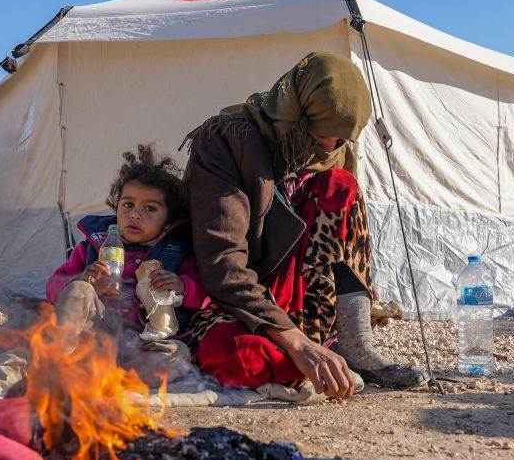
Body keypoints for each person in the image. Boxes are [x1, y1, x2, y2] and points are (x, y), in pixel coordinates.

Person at [181, 51, 424, 400]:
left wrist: (356, 310)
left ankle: (353, 349)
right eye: (319, 134)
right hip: (229, 300)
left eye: (340, 140)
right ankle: (310, 351)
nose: (329, 147)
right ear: (295, 112)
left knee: (340, 184)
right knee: (240, 357)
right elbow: (224, 268)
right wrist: (295, 341)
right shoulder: (226, 142)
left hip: (301, 306)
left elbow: (344, 242)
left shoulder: (335, 151)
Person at [45, 145, 208, 384]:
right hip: (96, 332)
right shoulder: (94, 245)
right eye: (128, 204)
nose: (135, 214)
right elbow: (53, 287)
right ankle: (59, 359)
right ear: (116, 206)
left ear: (169, 218)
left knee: (178, 355)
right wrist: (82, 280)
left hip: (145, 341)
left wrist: (183, 286)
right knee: (79, 290)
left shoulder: (177, 250)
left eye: (150, 208)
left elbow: (205, 294)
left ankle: (111, 380)